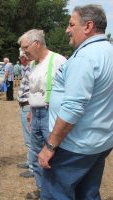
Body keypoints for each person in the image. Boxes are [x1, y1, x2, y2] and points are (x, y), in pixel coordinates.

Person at [38, 4, 113, 199]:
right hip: (98, 144)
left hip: (74, 147)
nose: (67, 30)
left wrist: (50, 146)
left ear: (88, 26)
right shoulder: (108, 51)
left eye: (71, 25)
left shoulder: (85, 57)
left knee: (57, 194)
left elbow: (73, 107)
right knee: (87, 194)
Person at [17, 29, 67, 200]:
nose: (24, 52)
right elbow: (33, 91)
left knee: (52, 157)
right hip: (36, 114)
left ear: (37, 43)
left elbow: (68, 91)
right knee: (37, 156)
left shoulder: (58, 60)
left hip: (50, 115)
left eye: (25, 48)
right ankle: (42, 190)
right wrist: (31, 111)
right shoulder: (32, 64)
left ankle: (56, 193)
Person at [16, 50, 34, 178]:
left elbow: (35, 90)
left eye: (21, 56)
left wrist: (31, 110)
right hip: (25, 106)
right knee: (28, 137)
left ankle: (33, 167)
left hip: (28, 106)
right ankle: (30, 162)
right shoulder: (28, 68)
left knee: (31, 138)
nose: (20, 59)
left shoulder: (32, 68)